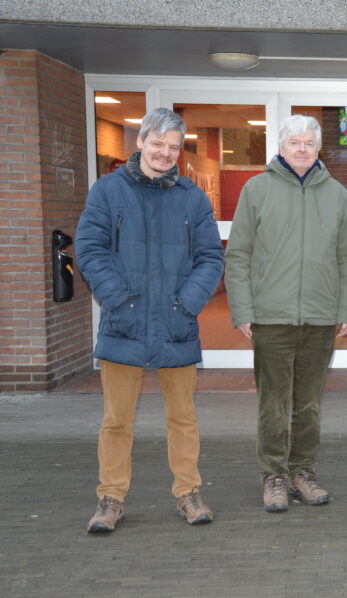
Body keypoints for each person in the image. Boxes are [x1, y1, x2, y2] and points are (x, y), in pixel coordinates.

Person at [75, 108, 224, 532]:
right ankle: (110, 498)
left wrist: (186, 304)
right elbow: (90, 250)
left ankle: (188, 493)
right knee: (117, 419)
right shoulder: (107, 192)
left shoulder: (192, 198)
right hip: (125, 321)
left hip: (175, 323)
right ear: (139, 142)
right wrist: (118, 300)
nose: (165, 153)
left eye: (173, 146)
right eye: (157, 143)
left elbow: (211, 257)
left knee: (183, 417)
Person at [225, 115, 347, 513]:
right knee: (273, 404)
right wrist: (242, 310)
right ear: (281, 147)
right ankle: (274, 476)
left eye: (308, 143)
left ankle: (304, 472)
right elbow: (238, 254)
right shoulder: (257, 189)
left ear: (317, 149)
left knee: (309, 403)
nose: (302, 149)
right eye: (294, 143)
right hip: (271, 317)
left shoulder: (336, 193)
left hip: (320, 318)